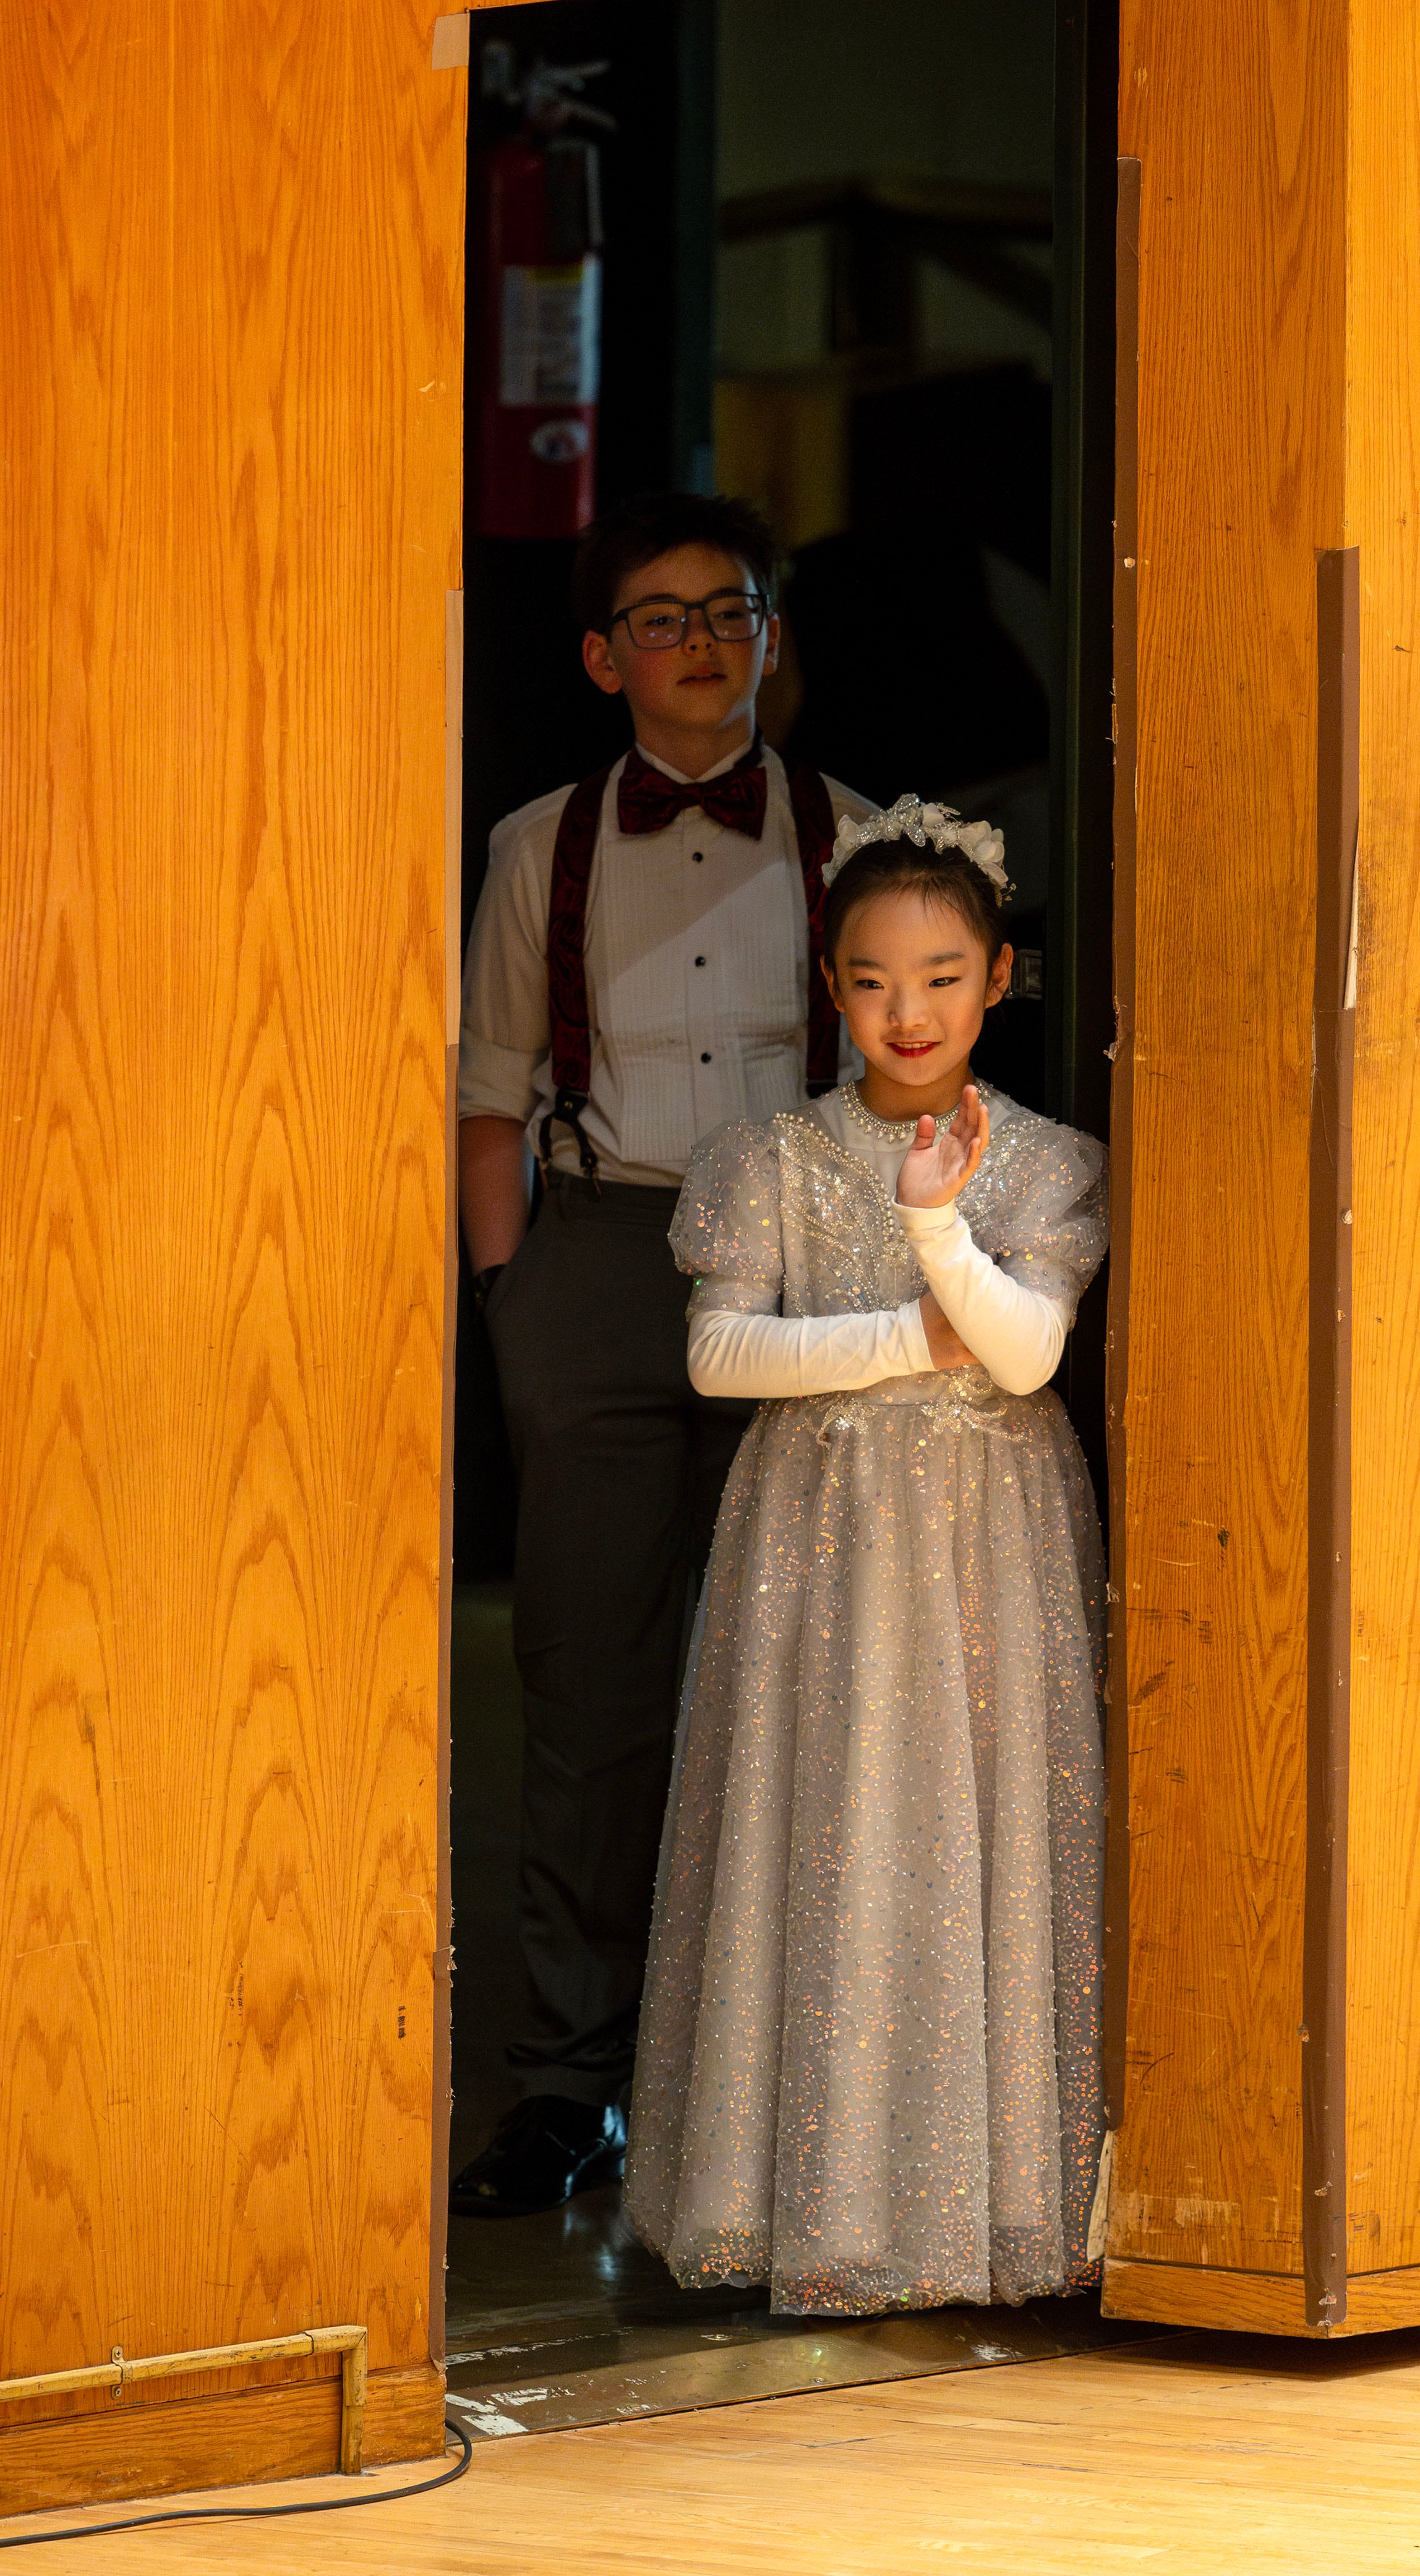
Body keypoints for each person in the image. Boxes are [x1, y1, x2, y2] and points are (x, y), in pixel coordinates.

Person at [625, 796, 1108, 2313]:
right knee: (822, 1827)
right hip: (818, 1541)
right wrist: (914, 1332)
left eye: (946, 977)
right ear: (831, 986)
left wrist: (939, 1232)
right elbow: (719, 1356)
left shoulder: (1043, 1163)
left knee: (974, 1825)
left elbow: (1024, 1361)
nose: (912, 1013)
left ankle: (992, 2207)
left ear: (1001, 977)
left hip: (987, 1538)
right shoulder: (766, 1157)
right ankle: (807, 2205)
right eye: (877, 981)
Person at [451, 490, 868, 2219]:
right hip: (605, 1255)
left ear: (771, 634)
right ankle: (566, 2088)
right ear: (604, 654)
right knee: (593, 1691)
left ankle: (799, 2095)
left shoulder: (862, 831)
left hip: (807, 1261)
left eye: (731, 609)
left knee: (813, 1683)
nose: (701, 641)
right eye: (664, 615)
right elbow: (488, 1089)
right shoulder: (539, 840)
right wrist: (515, 1304)